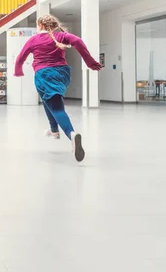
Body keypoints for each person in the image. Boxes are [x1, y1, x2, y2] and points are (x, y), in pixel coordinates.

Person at [14, 14, 102, 162]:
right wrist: (90, 62)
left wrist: (18, 70)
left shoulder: (34, 40)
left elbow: (20, 57)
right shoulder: (61, 36)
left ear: (41, 25)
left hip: (44, 74)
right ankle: (54, 130)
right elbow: (78, 41)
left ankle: (71, 135)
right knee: (49, 100)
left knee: (56, 108)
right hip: (62, 73)